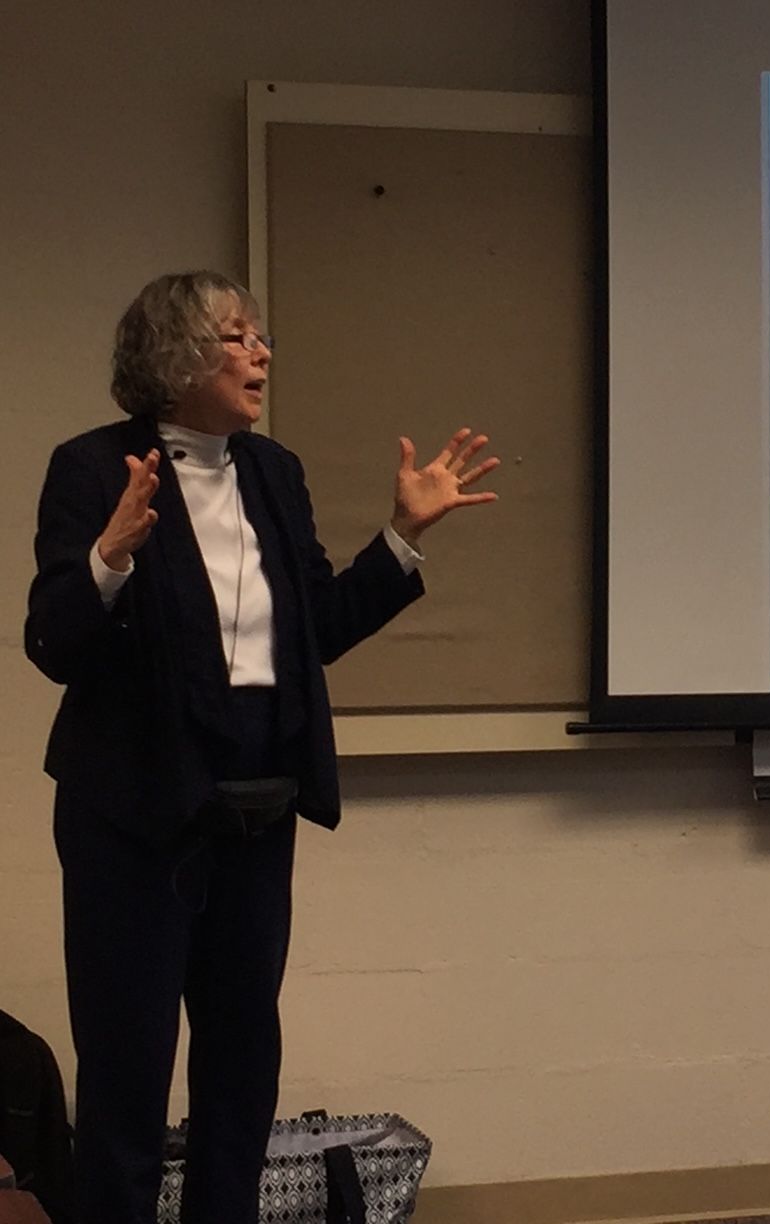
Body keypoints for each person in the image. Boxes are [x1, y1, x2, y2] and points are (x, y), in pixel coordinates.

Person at [23, 270, 498, 1224]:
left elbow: (310, 631)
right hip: (135, 821)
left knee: (242, 1072)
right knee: (127, 1074)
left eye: (259, 337)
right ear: (175, 355)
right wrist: (106, 562)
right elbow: (53, 645)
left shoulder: (274, 472)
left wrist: (401, 538)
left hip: (257, 806)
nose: (261, 354)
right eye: (238, 338)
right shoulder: (91, 468)